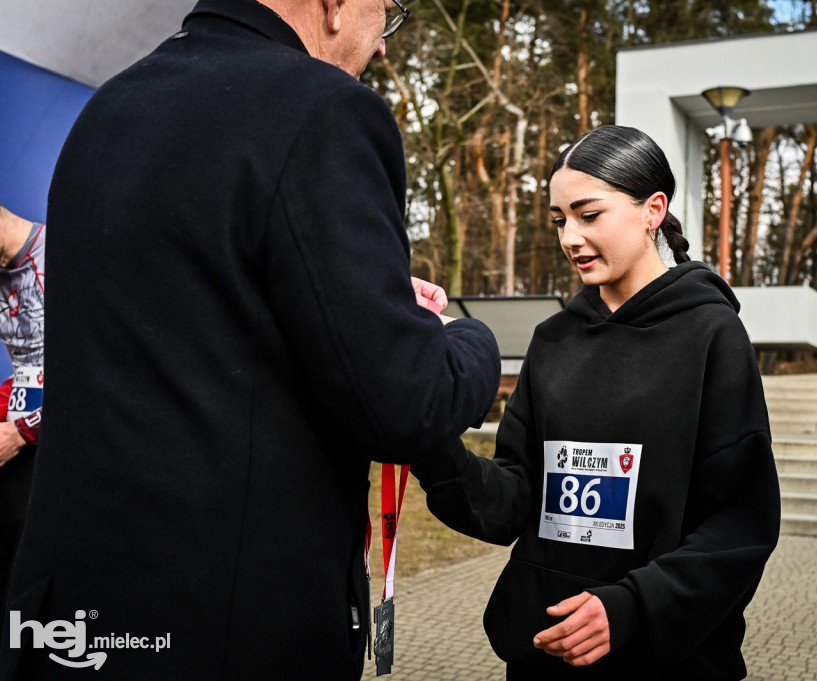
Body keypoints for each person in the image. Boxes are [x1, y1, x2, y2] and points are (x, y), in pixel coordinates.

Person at [1, 0, 499, 678]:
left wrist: (360, 300)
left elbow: (194, 316)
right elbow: (403, 402)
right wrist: (465, 337)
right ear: (334, 5)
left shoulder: (110, 110)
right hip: (224, 626)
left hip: (76, 620)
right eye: (385, 14)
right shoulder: (322, 109)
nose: (383, 46)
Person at [413, 125, 781, 679]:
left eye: (589, 215)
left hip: (668, 662)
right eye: (560, 220)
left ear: (652, 210)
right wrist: (426, 435)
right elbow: (513, 498)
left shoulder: (712, 336)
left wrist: (632, 605)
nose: (569, 238)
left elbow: (739, 524)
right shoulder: (554, 338)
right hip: (546, 652)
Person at [0, 204, 44, 606]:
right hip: (27, 445)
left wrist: (19, 431)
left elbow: (99, 368)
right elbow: (31, 368)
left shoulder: (60, 257)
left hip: (69, 454)